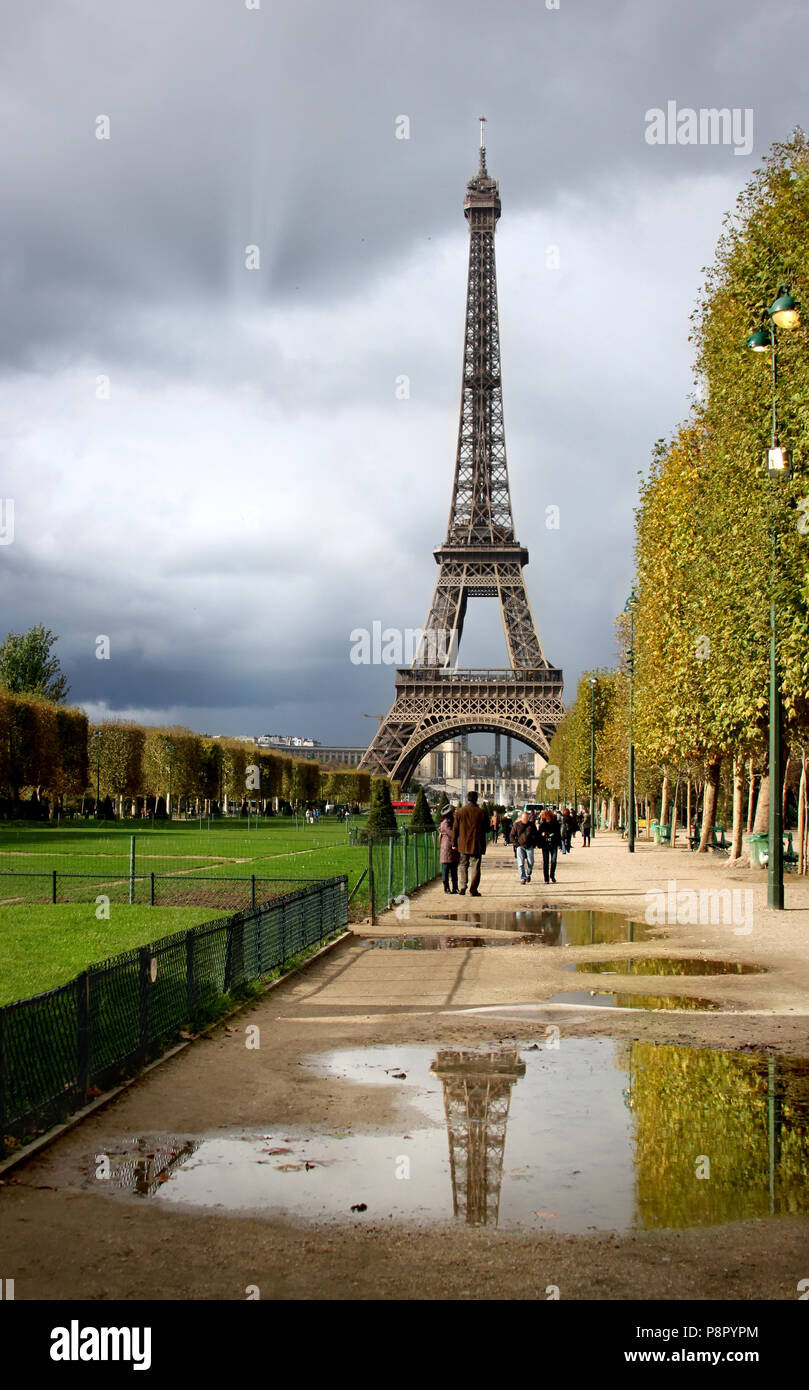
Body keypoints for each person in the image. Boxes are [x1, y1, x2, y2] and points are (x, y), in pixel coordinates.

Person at [452, 790, 487, 896]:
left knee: (463, 865)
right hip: (476, 844)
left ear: (467, 799)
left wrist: (453, 843)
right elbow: (487, 828)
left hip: (463, 844)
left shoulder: (460, 812)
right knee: (475, 866)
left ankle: (462, 886)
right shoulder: (481, 812)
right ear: (476, 799)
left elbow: (455, 829)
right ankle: (473, 889)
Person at [511, 810, 537, 884]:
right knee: (521, 863)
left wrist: (534, 843)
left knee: (531, 862)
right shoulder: (516, 825)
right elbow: (511, 836)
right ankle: (523, 878)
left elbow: (536, 835)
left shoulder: (531, 825)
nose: (525, 820)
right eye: (524, 818)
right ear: (521, 818)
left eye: (527, 818)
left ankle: (528, 874)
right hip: (520, 846)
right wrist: (516, 844)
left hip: (529, 846)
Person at [537, 808, 562, 884]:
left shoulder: (556, 824)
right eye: (546, 818)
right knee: (546, 862)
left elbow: (558, 834)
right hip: (545, 845)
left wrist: (559, 844)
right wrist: (543, 834)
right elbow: (539, 835)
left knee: (553, 861)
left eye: (549, 818)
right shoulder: (542, 825)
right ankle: (546, 878)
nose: (548, 819)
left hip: (554, 844)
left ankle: (552, 875)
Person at [439, 807, 460, 894]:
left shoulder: (450, 821)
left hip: (452, 848)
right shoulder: (445, 823)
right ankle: (446, 887)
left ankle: (455, 887)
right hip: (447, 848)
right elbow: (451, 833)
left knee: (454, 869)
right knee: (446, 869)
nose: (454, 813)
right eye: (452, 812)